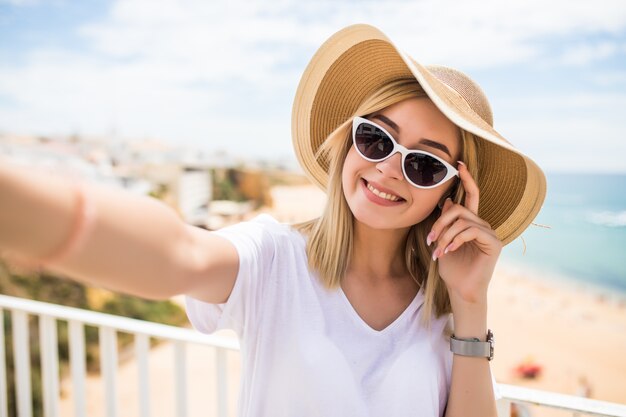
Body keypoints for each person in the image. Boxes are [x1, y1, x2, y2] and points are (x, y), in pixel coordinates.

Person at [0, 24, 546, 417]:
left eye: (424, 164)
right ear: (346, 141)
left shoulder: (446, 308)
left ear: (453, 191)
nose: (388, 168)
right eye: (376, 137)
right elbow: (178, 255)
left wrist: (472, 306)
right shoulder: (274, 259)